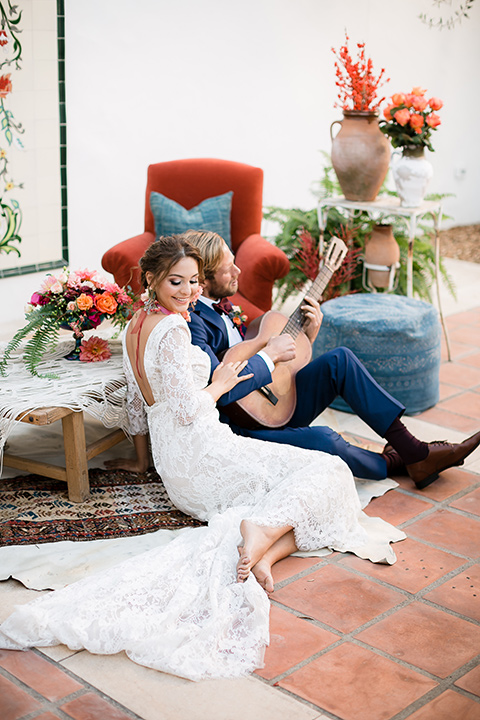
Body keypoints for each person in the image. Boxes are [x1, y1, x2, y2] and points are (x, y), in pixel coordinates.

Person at [0, 235, 402, 681]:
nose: (189, 291)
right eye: (177, 281)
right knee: (328, 471)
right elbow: (191, 409)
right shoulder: (172, 329)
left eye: (194, 281)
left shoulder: (136, 322)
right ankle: (259, 531)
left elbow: (138, 407)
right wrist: (223, 381)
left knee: (314, 474)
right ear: (151, 277)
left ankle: (264, 550)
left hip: (179, 470)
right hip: (205, 453)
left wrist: (143, 462)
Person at [184, 229, 480, 489]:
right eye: (228, 269)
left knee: (340, 360)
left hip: (270, 405)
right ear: (204, 279)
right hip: (242, 428)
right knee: (326, 439)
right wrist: (269, 352)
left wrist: (308, 337)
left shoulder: (226, 306)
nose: (238, 271)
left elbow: (266, 361)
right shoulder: (194, 320)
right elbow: (220, 389)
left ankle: (410, 447)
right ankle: (400, 461)